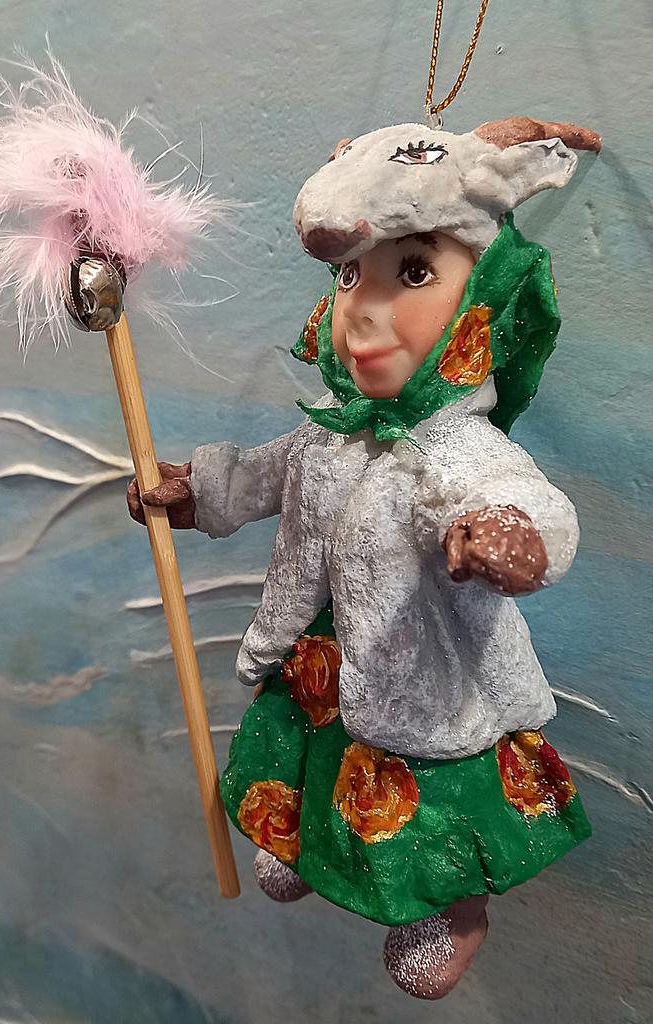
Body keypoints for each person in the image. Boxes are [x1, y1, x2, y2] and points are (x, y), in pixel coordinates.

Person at [128, 117, 600, 999]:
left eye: (412, 274)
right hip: (322, 658)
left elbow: (530, 504)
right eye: (351, 277)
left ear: (480, 303)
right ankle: (314, 843)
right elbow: (262, 476)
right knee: (310, 754)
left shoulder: (461, 455)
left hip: (428, 682)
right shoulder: (329, 436)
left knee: (425, 796)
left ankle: (448, 909)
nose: (361, 311)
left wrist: (510, 538)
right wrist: (197, 494)